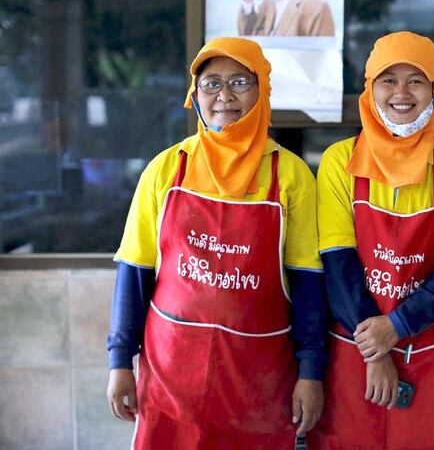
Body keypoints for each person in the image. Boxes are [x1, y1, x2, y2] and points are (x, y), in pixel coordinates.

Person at [105, 37, 327, 448]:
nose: (224, 95)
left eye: (240, 82)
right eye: (210, 83)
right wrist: (120, 360)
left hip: (258, 377)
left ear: (263, 90)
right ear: (195, 94)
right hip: (172, 372)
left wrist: (310, 372)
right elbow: (134, 271)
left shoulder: (291, 175)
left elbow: (309, 285)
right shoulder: (166, 169)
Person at [306, 31, 434, 450]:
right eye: (388, 80)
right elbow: (339, 264)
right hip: (354, 356)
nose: (402, 93)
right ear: (369, 87)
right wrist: (376, 351)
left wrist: (398, 326)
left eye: (417, 80)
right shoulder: (340, 161)